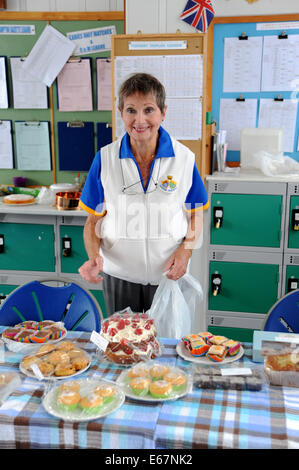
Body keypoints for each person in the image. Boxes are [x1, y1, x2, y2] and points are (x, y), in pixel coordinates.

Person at [78, 73, 209, 316]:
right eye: (131, 110)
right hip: (119, 276)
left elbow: (196, 215)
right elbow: (92, 222)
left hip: (169, 275)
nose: (140, 120)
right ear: (121, 112)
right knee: (122, 347)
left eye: (148, 110)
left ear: (163, 112)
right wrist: (94, 257)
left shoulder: (184, 159)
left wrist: (185, 251)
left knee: (167, 346)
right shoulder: (105, 159)